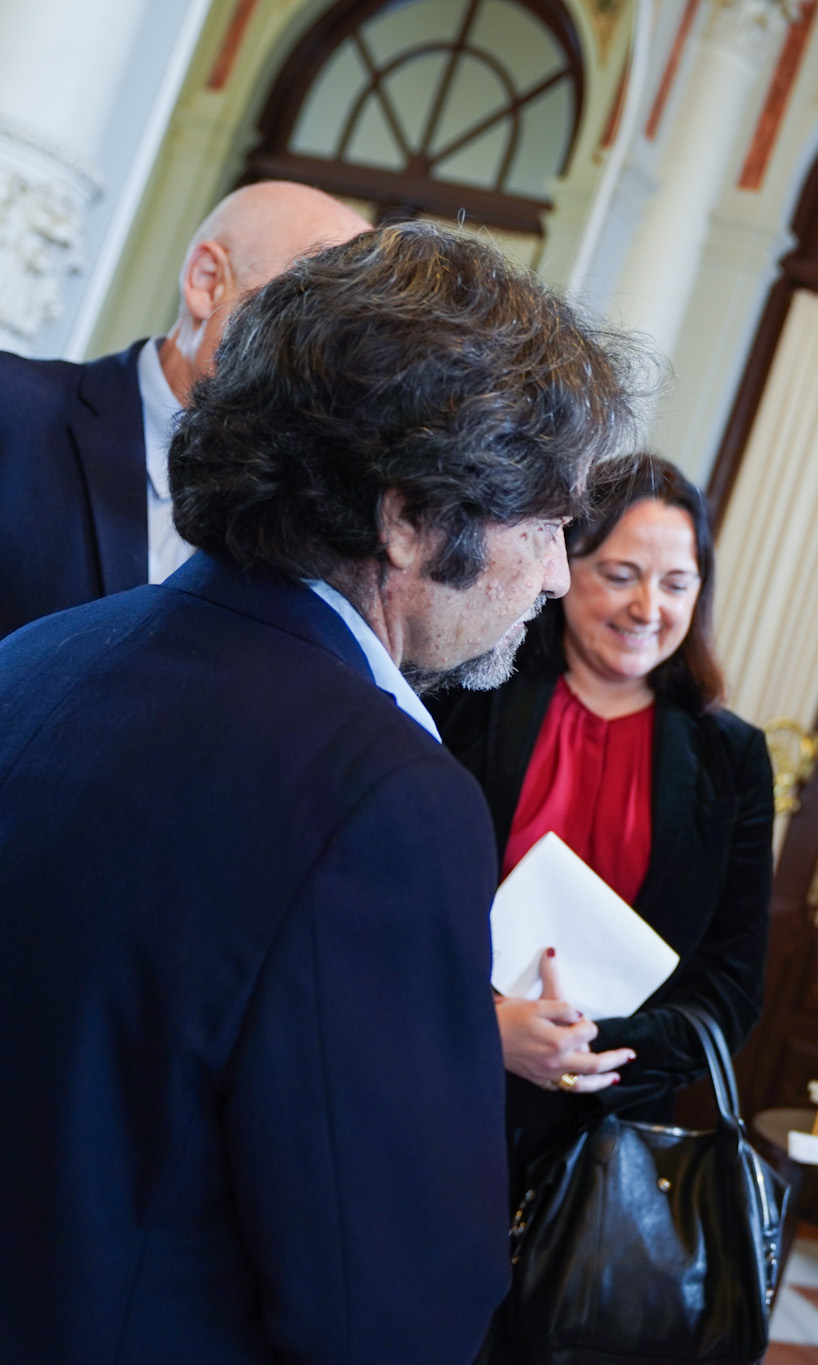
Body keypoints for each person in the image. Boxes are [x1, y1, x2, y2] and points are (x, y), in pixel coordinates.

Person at [0, 221, 643, 1362]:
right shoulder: (382, 795)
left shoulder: (41, 655)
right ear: (406, 517)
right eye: (545, 526)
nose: (554, 575)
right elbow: (384, 1296)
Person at [431, 452, 773, 1206]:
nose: (648, 606)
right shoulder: (466, 695)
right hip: (435, 1092)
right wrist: (488, 1027)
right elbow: (393, 901)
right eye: (621, 574)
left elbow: (730, 982)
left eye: (677, 583)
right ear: (562, 562)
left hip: (607, 1154)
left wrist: (588, 1046)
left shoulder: (734, 758)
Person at [0, 181, 371, 639]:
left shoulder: (324, 524)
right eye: (311, 309)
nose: (336, 358)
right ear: (207, 281)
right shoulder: (13, 408)